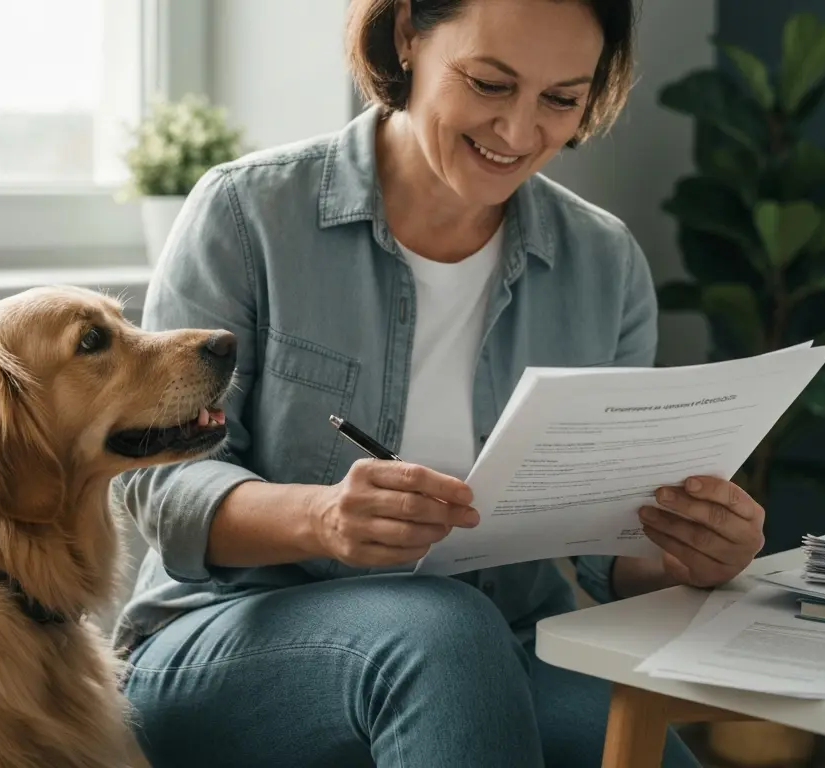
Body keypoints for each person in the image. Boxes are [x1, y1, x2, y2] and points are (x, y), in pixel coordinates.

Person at [114, 0, 767, 765]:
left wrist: (687, 553)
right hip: (230, 632)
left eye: (561, 99)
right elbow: (157, 486)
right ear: (406, 38)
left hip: (505, 641)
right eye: (490, 83)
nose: (521, 133)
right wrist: (320, 519)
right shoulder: (247, 213)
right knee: (442, 630)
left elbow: (605, 538)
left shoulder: (604, 262)